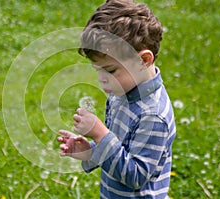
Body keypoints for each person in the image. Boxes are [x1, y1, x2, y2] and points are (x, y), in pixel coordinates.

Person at [57, 0, 176, 198]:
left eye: (111, 70)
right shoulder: (121, 93)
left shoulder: (153, 116)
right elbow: (121, 148)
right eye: (98, 70)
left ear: (144, 60)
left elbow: (135, 176)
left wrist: (100, 134)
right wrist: (91, 151)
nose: (102, 79)